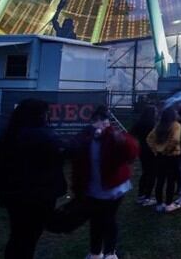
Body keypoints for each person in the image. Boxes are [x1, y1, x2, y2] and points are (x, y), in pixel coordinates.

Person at [0, 99, 66, 259]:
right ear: (38, 115)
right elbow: (65, 151)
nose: (48, 117)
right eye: (45, 114)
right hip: (36, 198)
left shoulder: (9, 135)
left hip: (14, 197)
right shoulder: (42, 135)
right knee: (29, 238)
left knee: (17, 236)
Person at [70, 107, 139, 259]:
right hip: (93, 188)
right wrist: (77, 188)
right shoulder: (84, 138)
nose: (100, 124)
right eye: (96, 121)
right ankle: (95, 252)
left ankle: (110, 252)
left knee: (108, 219)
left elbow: (132, 152)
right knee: (95, 220)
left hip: (113, 189)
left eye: (103, 121)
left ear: (108, 122)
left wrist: (121, 139)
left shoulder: (113, 136)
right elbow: (76, 161)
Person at [146, 109, 181, 213]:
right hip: (172, 156)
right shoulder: (176, 125)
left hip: (160, 156)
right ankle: (169, 204)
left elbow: (149, 138)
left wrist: (155, 150)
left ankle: (159, 204)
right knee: (171, 180)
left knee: (160, 180)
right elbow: (175, 139)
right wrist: (168, 149)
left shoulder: (159, 125)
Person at [129, 106, 157, 206]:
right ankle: (147, 197)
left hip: (142, 149)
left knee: (145, 172)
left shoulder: (139, 123)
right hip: (152, 150)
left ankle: (140, 195)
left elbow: (130, 134)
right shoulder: (153, 125)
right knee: (152, 174)